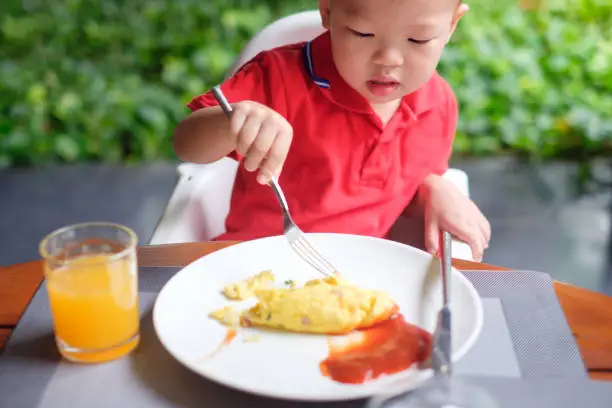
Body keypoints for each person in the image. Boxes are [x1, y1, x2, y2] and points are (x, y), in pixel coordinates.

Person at [173, 0, 491, 261]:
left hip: (359, 277)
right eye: (363, 33)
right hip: (250, 263)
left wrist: (433, 188)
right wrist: (233, 121)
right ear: (327, 11)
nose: (389, 59)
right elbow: (187, 145)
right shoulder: (278, 79)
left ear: (451, 26)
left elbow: (400, 190)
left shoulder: (437, 106)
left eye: (418, 40)